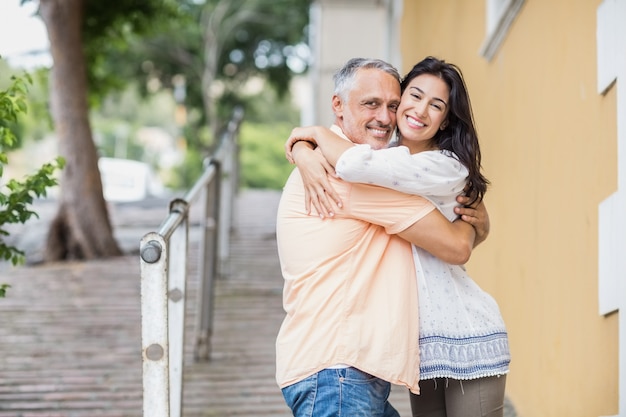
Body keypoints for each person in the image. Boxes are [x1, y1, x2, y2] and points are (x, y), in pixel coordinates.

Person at [285, 56, 510, 417]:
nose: (417, 110)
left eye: (436, 105)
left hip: (465, 332)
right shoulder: (381, 163)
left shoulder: (442, 164)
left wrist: (311, 136)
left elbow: (456, 246)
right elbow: (358, 163)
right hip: (418, 346)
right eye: (413, 96)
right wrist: (304, 150)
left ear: (446, 119)